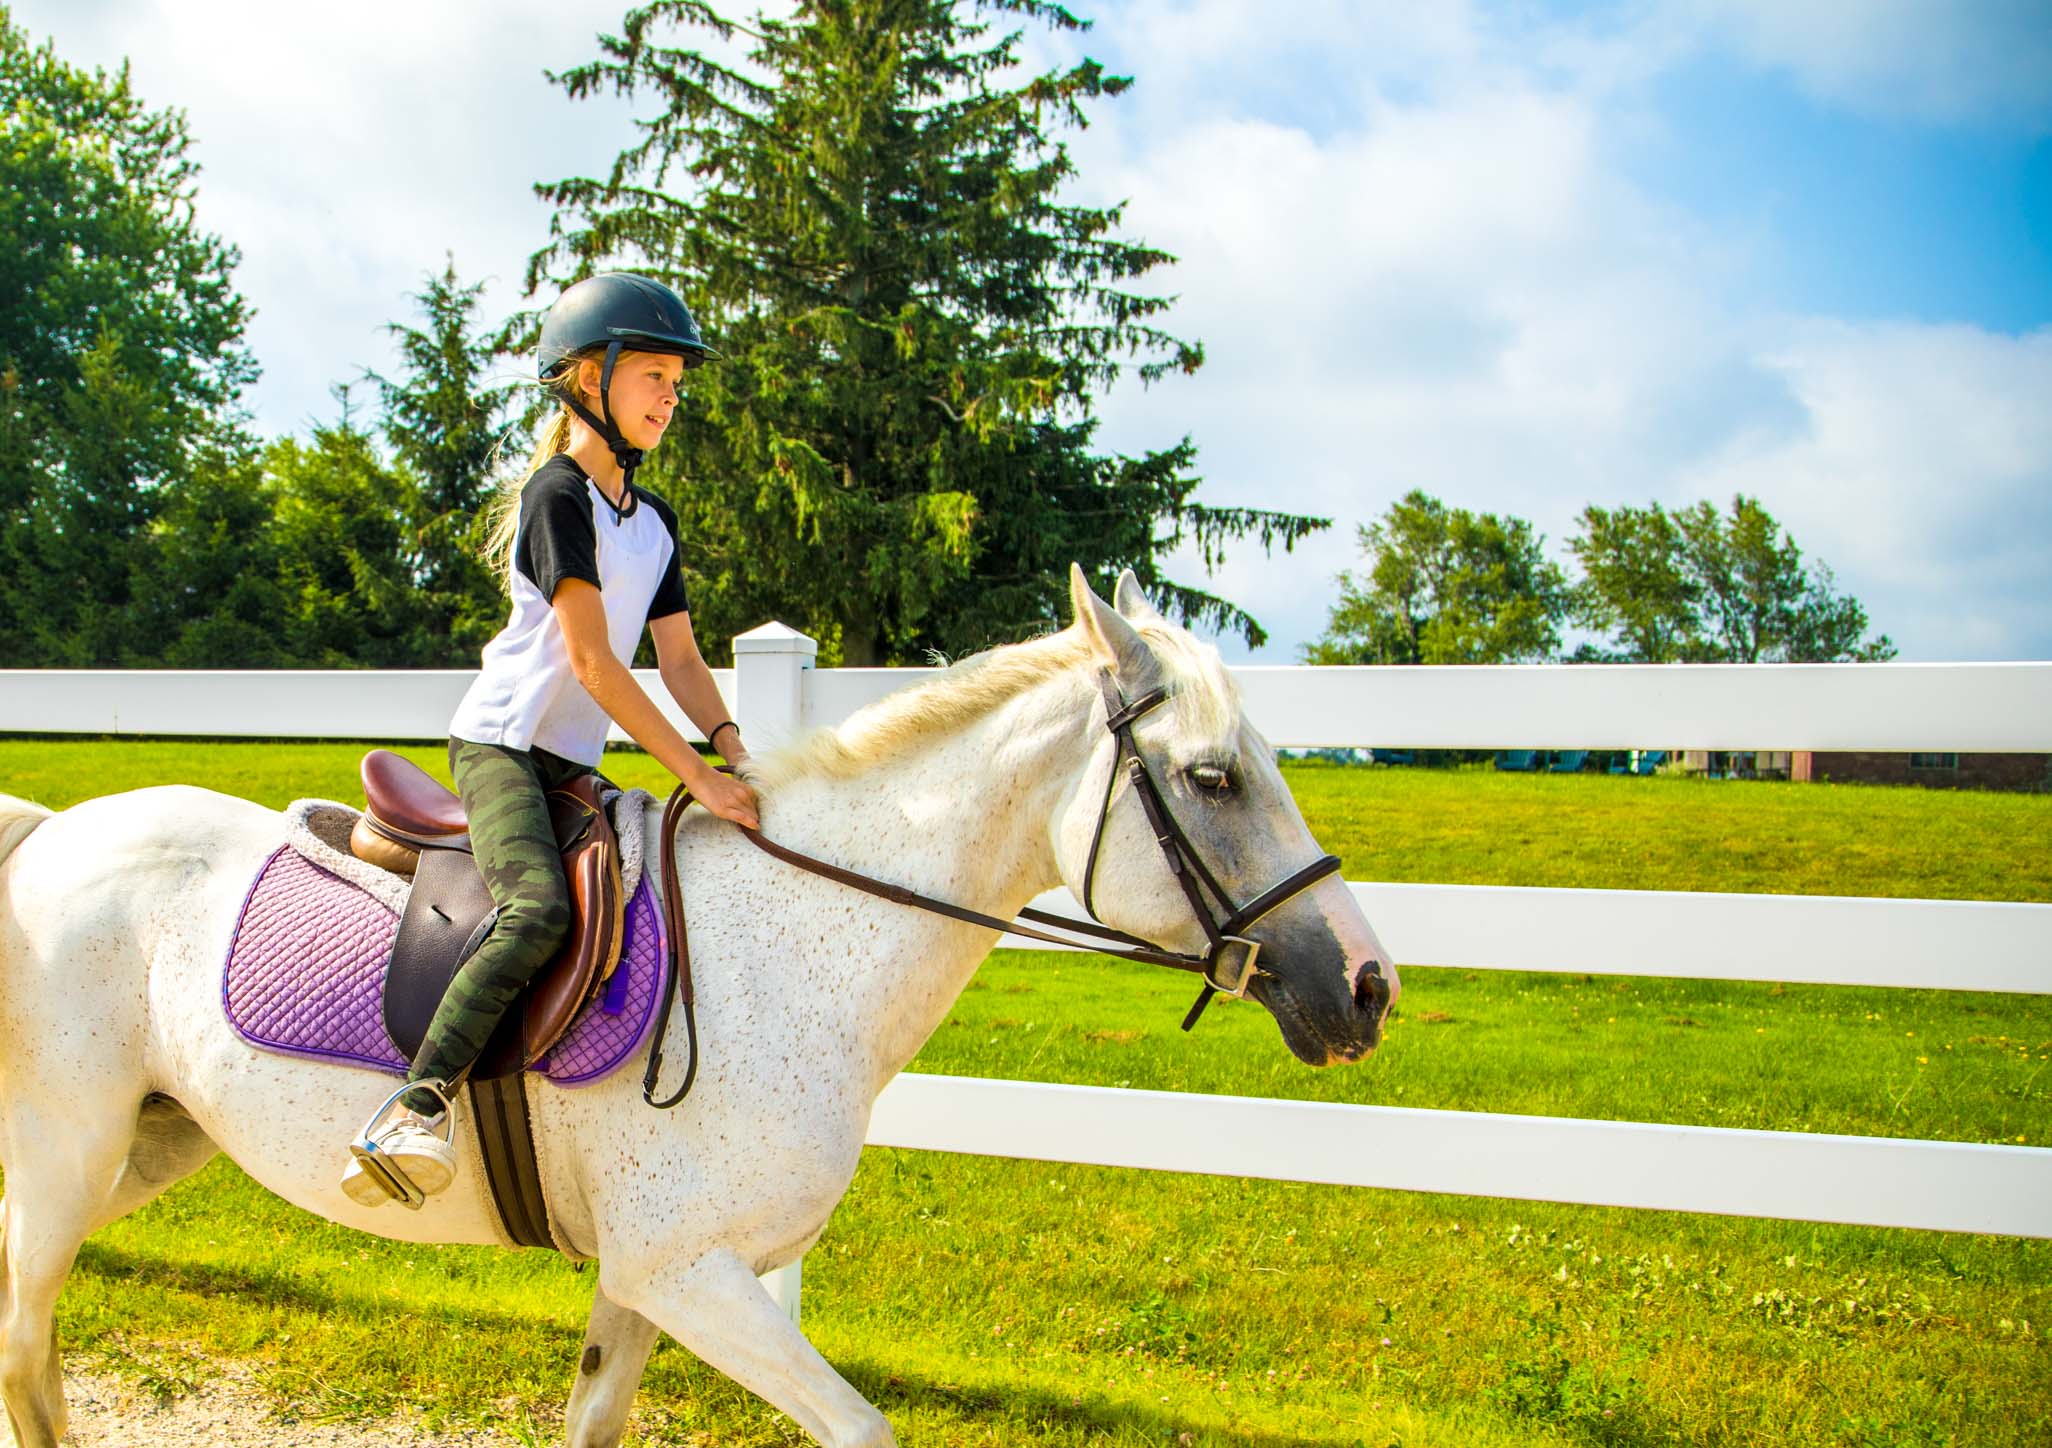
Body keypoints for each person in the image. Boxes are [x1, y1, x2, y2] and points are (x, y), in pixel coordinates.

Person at [341, 272, 761, 1207]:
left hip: (570, 762)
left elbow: (681, 661)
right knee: (536, 910)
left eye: (676, 383)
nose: (669, 396)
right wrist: (696, 773)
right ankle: (415, 1105)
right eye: (652, 374)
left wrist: (738, 753)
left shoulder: (653, 523)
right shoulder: (556, 496)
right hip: (501, 747)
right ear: (585, 377)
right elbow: (593, 667)